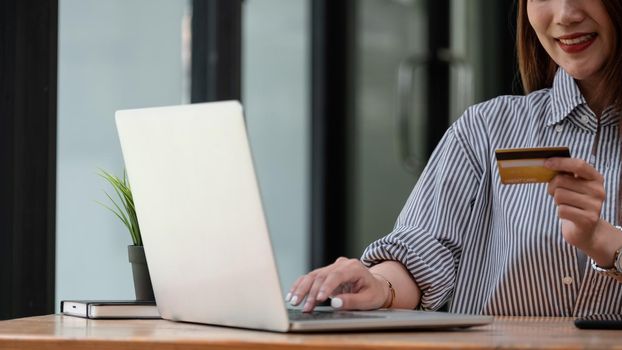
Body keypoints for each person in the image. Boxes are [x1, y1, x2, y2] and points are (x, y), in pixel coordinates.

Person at [287, 0, 622, 317]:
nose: (565, 14)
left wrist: (608, 245)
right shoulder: (486, 128)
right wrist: (380, 285)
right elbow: (424, 248)